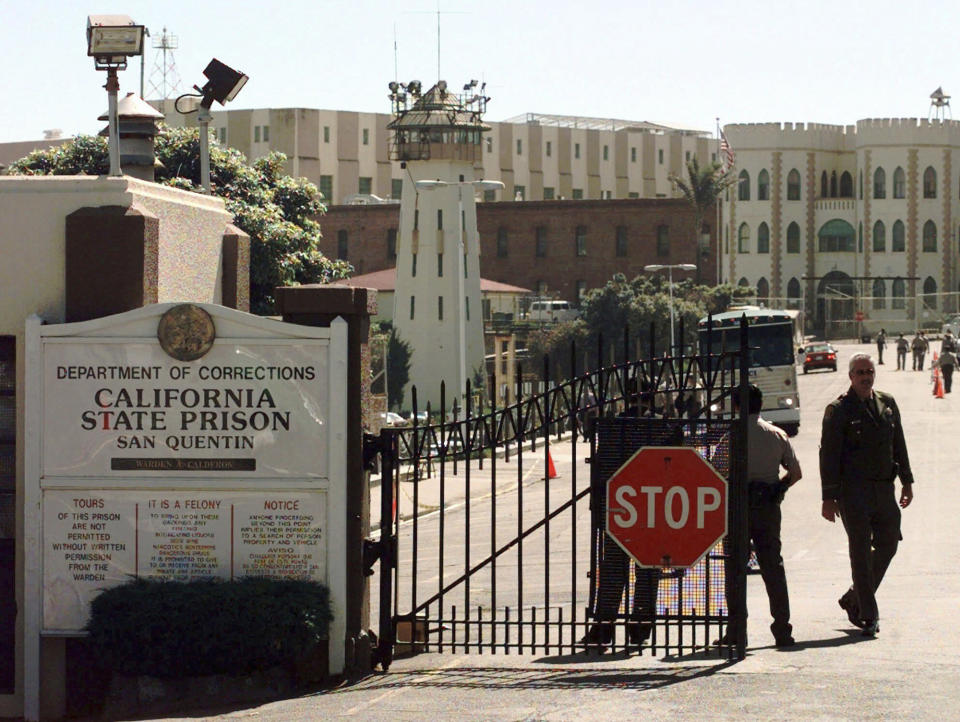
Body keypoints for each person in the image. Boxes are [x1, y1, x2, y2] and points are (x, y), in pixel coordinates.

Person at [819, 353, 914, 637]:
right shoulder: (838, 410)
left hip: (885, 489)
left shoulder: (887, 403)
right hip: (853, 492)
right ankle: (868, 615)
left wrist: (907, 481)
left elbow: (899, 443)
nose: (865, 376)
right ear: (850, 376)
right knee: (859, 553)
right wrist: (828, 496)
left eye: (869, 371)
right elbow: (829, 455)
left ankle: (854, 597)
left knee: (888, 544)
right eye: (860, 372)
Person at [582, 379, 663, 648]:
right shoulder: (662, 425)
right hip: (652, 509)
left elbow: (602, 465)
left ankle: (603, 628)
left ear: (627, 398)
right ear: (652, 397)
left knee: (614, 569)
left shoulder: (614, 426)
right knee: (648, 571)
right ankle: (640, 629)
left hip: (619, 508)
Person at [720, 385, 802, 648]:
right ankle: (782, 630)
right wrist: (779, 487)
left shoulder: (729, 437)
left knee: (735, 569)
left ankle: (736, 631)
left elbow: (714, 472)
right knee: (772, 568)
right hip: (767, 506)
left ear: (735, 405)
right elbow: (795, 473)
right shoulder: (776, 434)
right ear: (761, 404)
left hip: (737, 508)